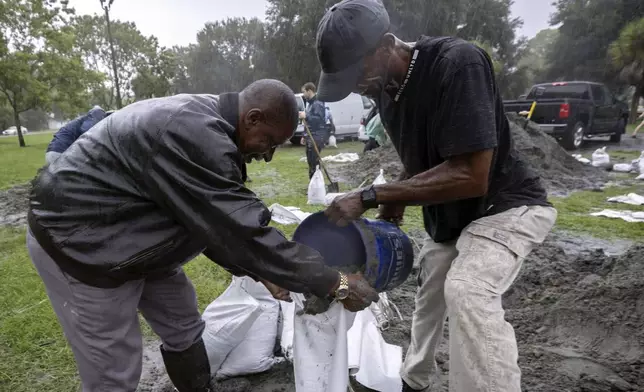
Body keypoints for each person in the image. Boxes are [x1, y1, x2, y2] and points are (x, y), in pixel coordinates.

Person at [27, 79, 379, 392]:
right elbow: (243, 230)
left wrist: (260, 272)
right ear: (252, 118)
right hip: (80, 244)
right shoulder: (193, 132)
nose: (268, 155)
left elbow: (209, 222)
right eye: (268, 141)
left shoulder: (213, 126)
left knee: (183, 324)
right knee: (113, 371)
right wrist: (338, 283)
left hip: (134, 237)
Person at [314, 1, 557, 391]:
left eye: (358, 72)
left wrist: (373, 195)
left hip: (504, 205)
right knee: (430, 293)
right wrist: (391, 207)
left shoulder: (458, 64)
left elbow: (471, 174)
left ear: (387, 45)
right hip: (455, 217)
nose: (357, 85)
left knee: (467, 289)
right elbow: (421, 161)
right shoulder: (385, 91)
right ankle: (415, 379)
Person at [45, 105, 111, 164]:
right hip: (61, 152)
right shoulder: (98, 113)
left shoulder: (84, 119)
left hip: (54, 151)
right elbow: (87, 132)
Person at [299, 82, 328, 178]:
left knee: (314, 161)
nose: (303, 95)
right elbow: (308, 123)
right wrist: (304, 135)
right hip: (310, 136)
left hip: (317, 136)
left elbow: (319, 120)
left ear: (309, 91)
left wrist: (306, 116)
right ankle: (313, 184)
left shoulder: (318, 103)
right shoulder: (310, 104)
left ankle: (316, 183)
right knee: (310, 161)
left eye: (304, 92)